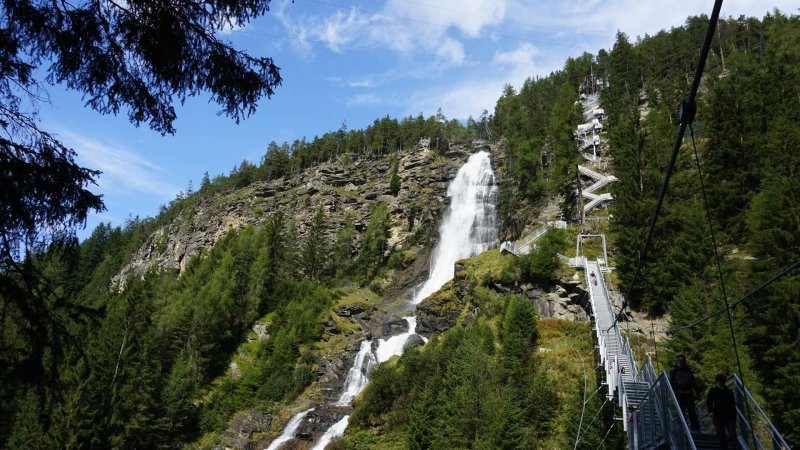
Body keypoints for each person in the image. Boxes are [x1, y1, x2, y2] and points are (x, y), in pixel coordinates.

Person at [669, 355, 700, 431]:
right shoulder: (674, 370)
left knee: (691, 411)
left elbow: (693, 381)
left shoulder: (688, 370)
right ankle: (684, 429)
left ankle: (695, 429)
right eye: (681, 361)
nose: (682, 362)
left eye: (683, 361)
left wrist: (697, 392)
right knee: (681, 412)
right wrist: (673, 391)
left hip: (688, 393)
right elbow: (671, 382)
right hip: (679, 394)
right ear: (678, 361)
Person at [707, 373, 737, 449]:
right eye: (721, 381)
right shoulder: (713, 391)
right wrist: (710, 412)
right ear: (717, 381)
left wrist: (734, 416)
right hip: (718, 416)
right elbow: (709, 402)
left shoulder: (729, 392)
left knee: (732, 434)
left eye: (723, 381)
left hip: (729, 416)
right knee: (721, 436)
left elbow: (732, 404)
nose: (722, 382)